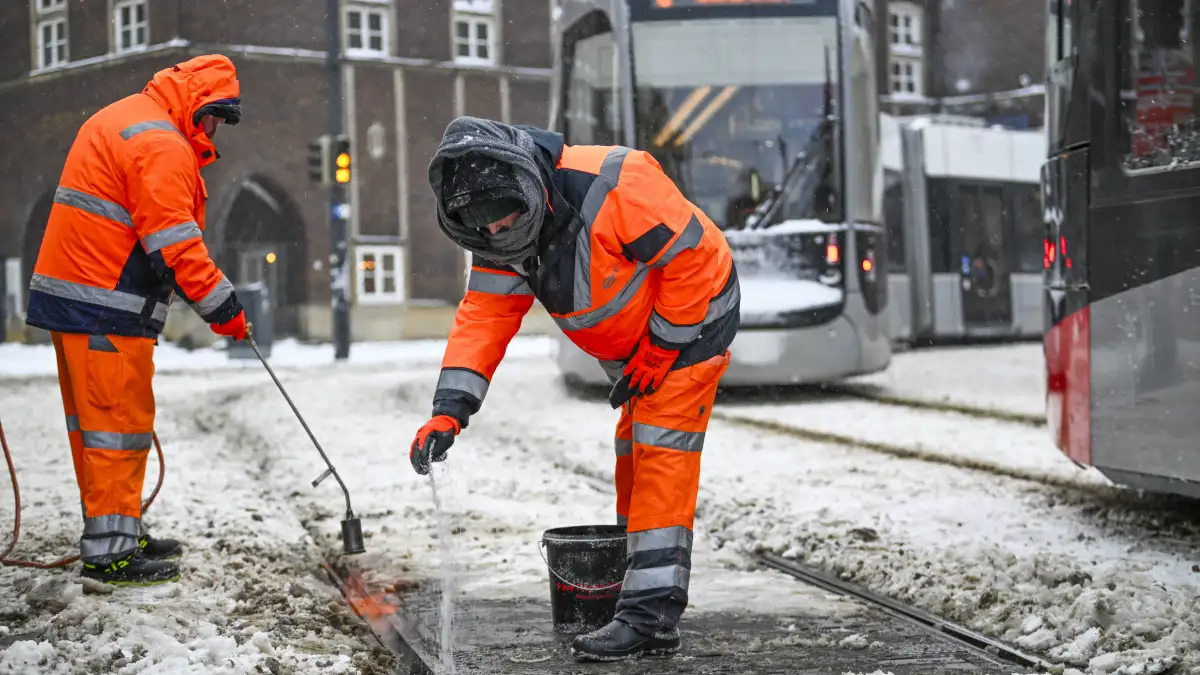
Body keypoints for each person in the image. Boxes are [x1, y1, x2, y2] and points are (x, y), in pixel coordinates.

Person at [409, 116, 741, 661]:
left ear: (527, 186)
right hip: (639, 348)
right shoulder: (499, 232)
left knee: (661, 452)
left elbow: (695, 261)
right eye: (478, 225)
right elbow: (486, 315)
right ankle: (639, 586)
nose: (494, 233)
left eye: (499, 218)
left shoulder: (616, 185)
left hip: (692, 321)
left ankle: (650, 617)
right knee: (633, 453)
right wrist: (449, 411)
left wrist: (662, 347)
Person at [25, 54, 249, 586]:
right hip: (105, 306)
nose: (215, 128)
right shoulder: (161, 144)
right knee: (116, 431)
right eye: (214, 116)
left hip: (85, 302)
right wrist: (225, 309)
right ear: (195, 103)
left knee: (101, 431)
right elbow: (174, 244)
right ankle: (111, 554)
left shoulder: (128, 119)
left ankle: (120, 530)